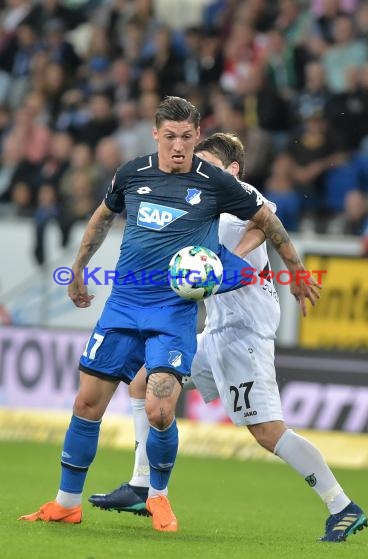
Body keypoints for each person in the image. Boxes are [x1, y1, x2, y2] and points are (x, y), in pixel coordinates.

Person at [18, 97, 317, 533]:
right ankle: (66, 502)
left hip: (172, 312)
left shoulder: (213, 182)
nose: (178, 145)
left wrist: (295, 267)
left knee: (160, 408)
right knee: (86, 403)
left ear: (197, 138)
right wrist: (80, 267)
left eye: (187, 137)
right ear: (156, 134)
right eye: (170, 136)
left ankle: (157, 497)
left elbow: (266, 219)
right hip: (122, 305)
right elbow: (103, 216)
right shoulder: (132, 173)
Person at [89, 133, 368, 543]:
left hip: (245, 333)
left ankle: (342, 506)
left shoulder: (242, 194)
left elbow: (266, 218)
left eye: (207, 161)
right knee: (145, 379)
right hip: (214, 331)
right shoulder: (203, 200)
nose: (198, 169)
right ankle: (142, 485)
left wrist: (229, 257)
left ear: (233, 169)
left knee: (268, 432)